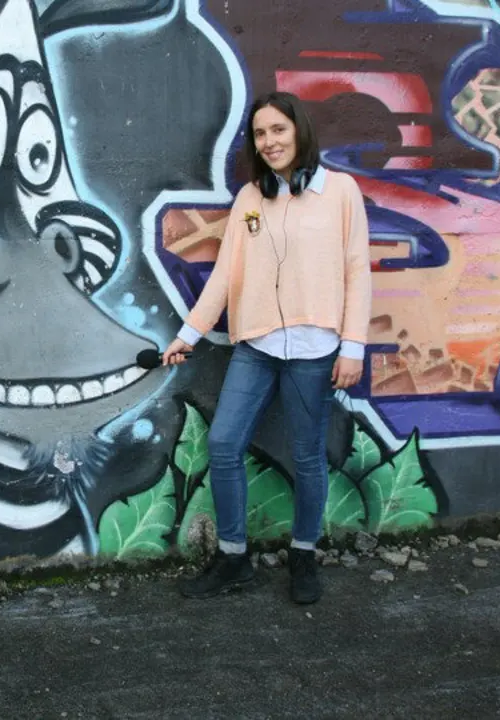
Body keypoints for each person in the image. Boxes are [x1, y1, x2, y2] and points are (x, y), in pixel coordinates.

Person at [164, 91, 371, 605]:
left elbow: (357, 271)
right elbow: (224, 277)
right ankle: (234, 558)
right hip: (255, 346)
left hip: (315, 347)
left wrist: (354, 346)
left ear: (299, 130)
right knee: (223, 444)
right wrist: (188, 334)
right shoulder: (251, 199)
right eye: (260, 134)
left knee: (307, 455)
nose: (270, 141)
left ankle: (304, 554)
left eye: (278, 129)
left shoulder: (341, 191)